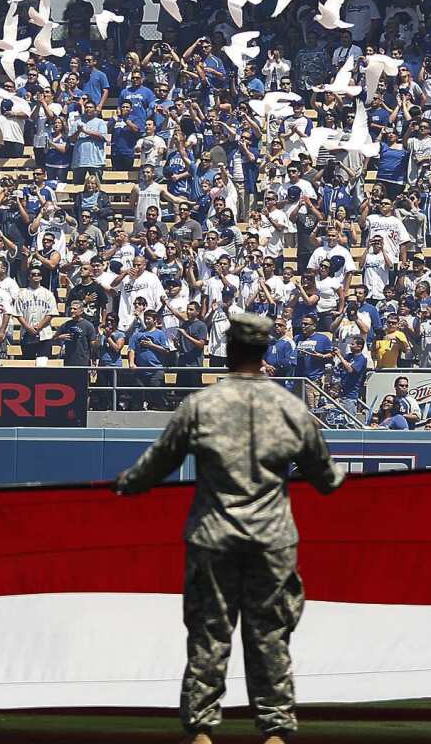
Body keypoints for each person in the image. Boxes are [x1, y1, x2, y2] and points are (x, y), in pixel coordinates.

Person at [115, 312, 344, 744]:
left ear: (229, 351)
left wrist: (123, 486)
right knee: (270, 634)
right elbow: (327, 479)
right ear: (263, 354)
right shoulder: (291, 408)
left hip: (214, 536)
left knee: (209, 632)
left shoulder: (202, 405)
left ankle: (201, 729)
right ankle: (275, 730)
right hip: (272, 540)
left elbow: (155, 465)